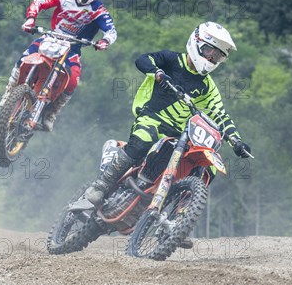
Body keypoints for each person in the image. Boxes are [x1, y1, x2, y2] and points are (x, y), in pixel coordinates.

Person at [86, 21, 252, 208]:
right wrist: (158, 73)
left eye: (218, 56)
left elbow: (220, 115)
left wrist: (236, 142)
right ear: (196, 43)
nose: (212, 58)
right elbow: (142, 60)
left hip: (179, 135)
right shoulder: (171, 60)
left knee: (209, 166)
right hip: (152, 118)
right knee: (143, 139)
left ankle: (178, 220)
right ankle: (101, 185)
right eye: (209, 51)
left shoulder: (208, 86)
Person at [0, 0, 117, 132]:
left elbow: (111, 31)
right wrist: (31, 19)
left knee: (73, 80)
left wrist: (105, 41)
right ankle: (8, 94)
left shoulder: (99, 11)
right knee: (23, 59)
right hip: (51, 37)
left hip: (73, 48)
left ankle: (51, 113)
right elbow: (40, 1)